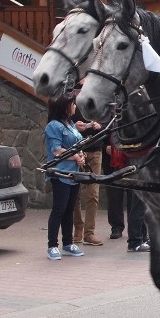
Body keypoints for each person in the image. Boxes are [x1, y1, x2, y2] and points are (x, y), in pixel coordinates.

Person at [44, 93, 85, 260]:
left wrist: (81, 155)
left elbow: (77, 143)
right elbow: (56, 149)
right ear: (64, 107)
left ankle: (68, 243)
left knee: (70, 209)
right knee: (59, 209)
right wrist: (75, 156)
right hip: (60, 172)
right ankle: (52, 245)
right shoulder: (54, 126)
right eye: (72, 103)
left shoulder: (71, 124)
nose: (75, 106)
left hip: (74, 173)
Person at [104, 137, 150, 252]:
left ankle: (143, 237)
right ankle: (135, 241)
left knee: (141, 204)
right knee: (137, 204)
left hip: (138, 164)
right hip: (135, 165)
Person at [71, 105, 104, 246]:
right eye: (80, 86)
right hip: (77, 151)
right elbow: (61, 124)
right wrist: (74, 126)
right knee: (74, 192)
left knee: (93, 194)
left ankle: (89, 233)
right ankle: (78, 228)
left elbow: (110, 121)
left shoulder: (97, 100)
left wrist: (100, 125)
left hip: (96, 150)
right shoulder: (72, 105)